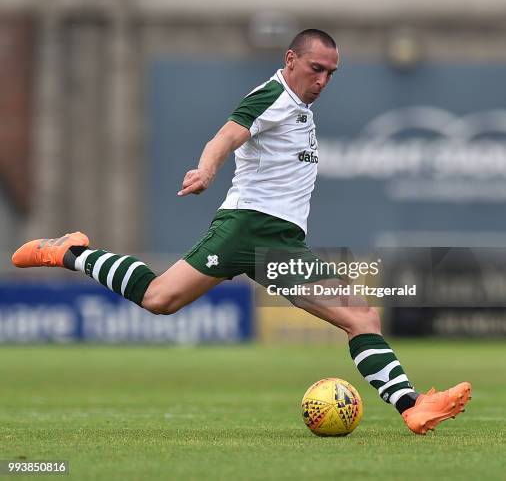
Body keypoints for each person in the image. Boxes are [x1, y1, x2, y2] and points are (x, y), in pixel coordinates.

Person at [12, 28, 470, 434]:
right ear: (290, 60)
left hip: (279, 241)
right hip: (247, 228)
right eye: (316, 69)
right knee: (159, 299)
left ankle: (413, 408)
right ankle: (68, 252)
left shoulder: (300, 108)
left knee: (358, 318)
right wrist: (206, 170)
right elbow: (227, 135)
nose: (324, 81)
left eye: (332, 73)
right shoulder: (272, 95)